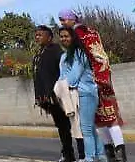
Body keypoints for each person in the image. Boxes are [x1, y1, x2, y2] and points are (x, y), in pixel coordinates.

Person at [59, 10, 127, 162]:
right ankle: (111, 154)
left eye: (63, 20)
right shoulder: (91, 31)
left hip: (91, 83)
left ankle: (103, 155)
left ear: (71, 19)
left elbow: (78, 69)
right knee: (104, 119)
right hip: (103, 77)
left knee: (95, 123)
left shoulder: (78, 34)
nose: (62, 23)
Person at [59, 27, 104, 162]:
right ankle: (101, 156)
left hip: (86, 93)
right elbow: (62, 76)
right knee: (89, 126)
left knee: (85, 129)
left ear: (73, 37)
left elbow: (72, 78)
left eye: (66, 36)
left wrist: (63, 83)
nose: (64, 39)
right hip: (74, 95)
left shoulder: (79, 53)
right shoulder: (64, 56)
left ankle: (89, 157)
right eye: (61, 36)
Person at [33, 26, 76, 162]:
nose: (37, 37)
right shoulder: (40, 53)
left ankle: (72, 154)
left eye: (41, 35)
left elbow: (65, 71)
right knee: (62, 126)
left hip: (58, 96)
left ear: (49, 37)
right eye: (36, 35)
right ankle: (68, 153)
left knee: (69, 125)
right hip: (48, 98)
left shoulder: (56, 51)